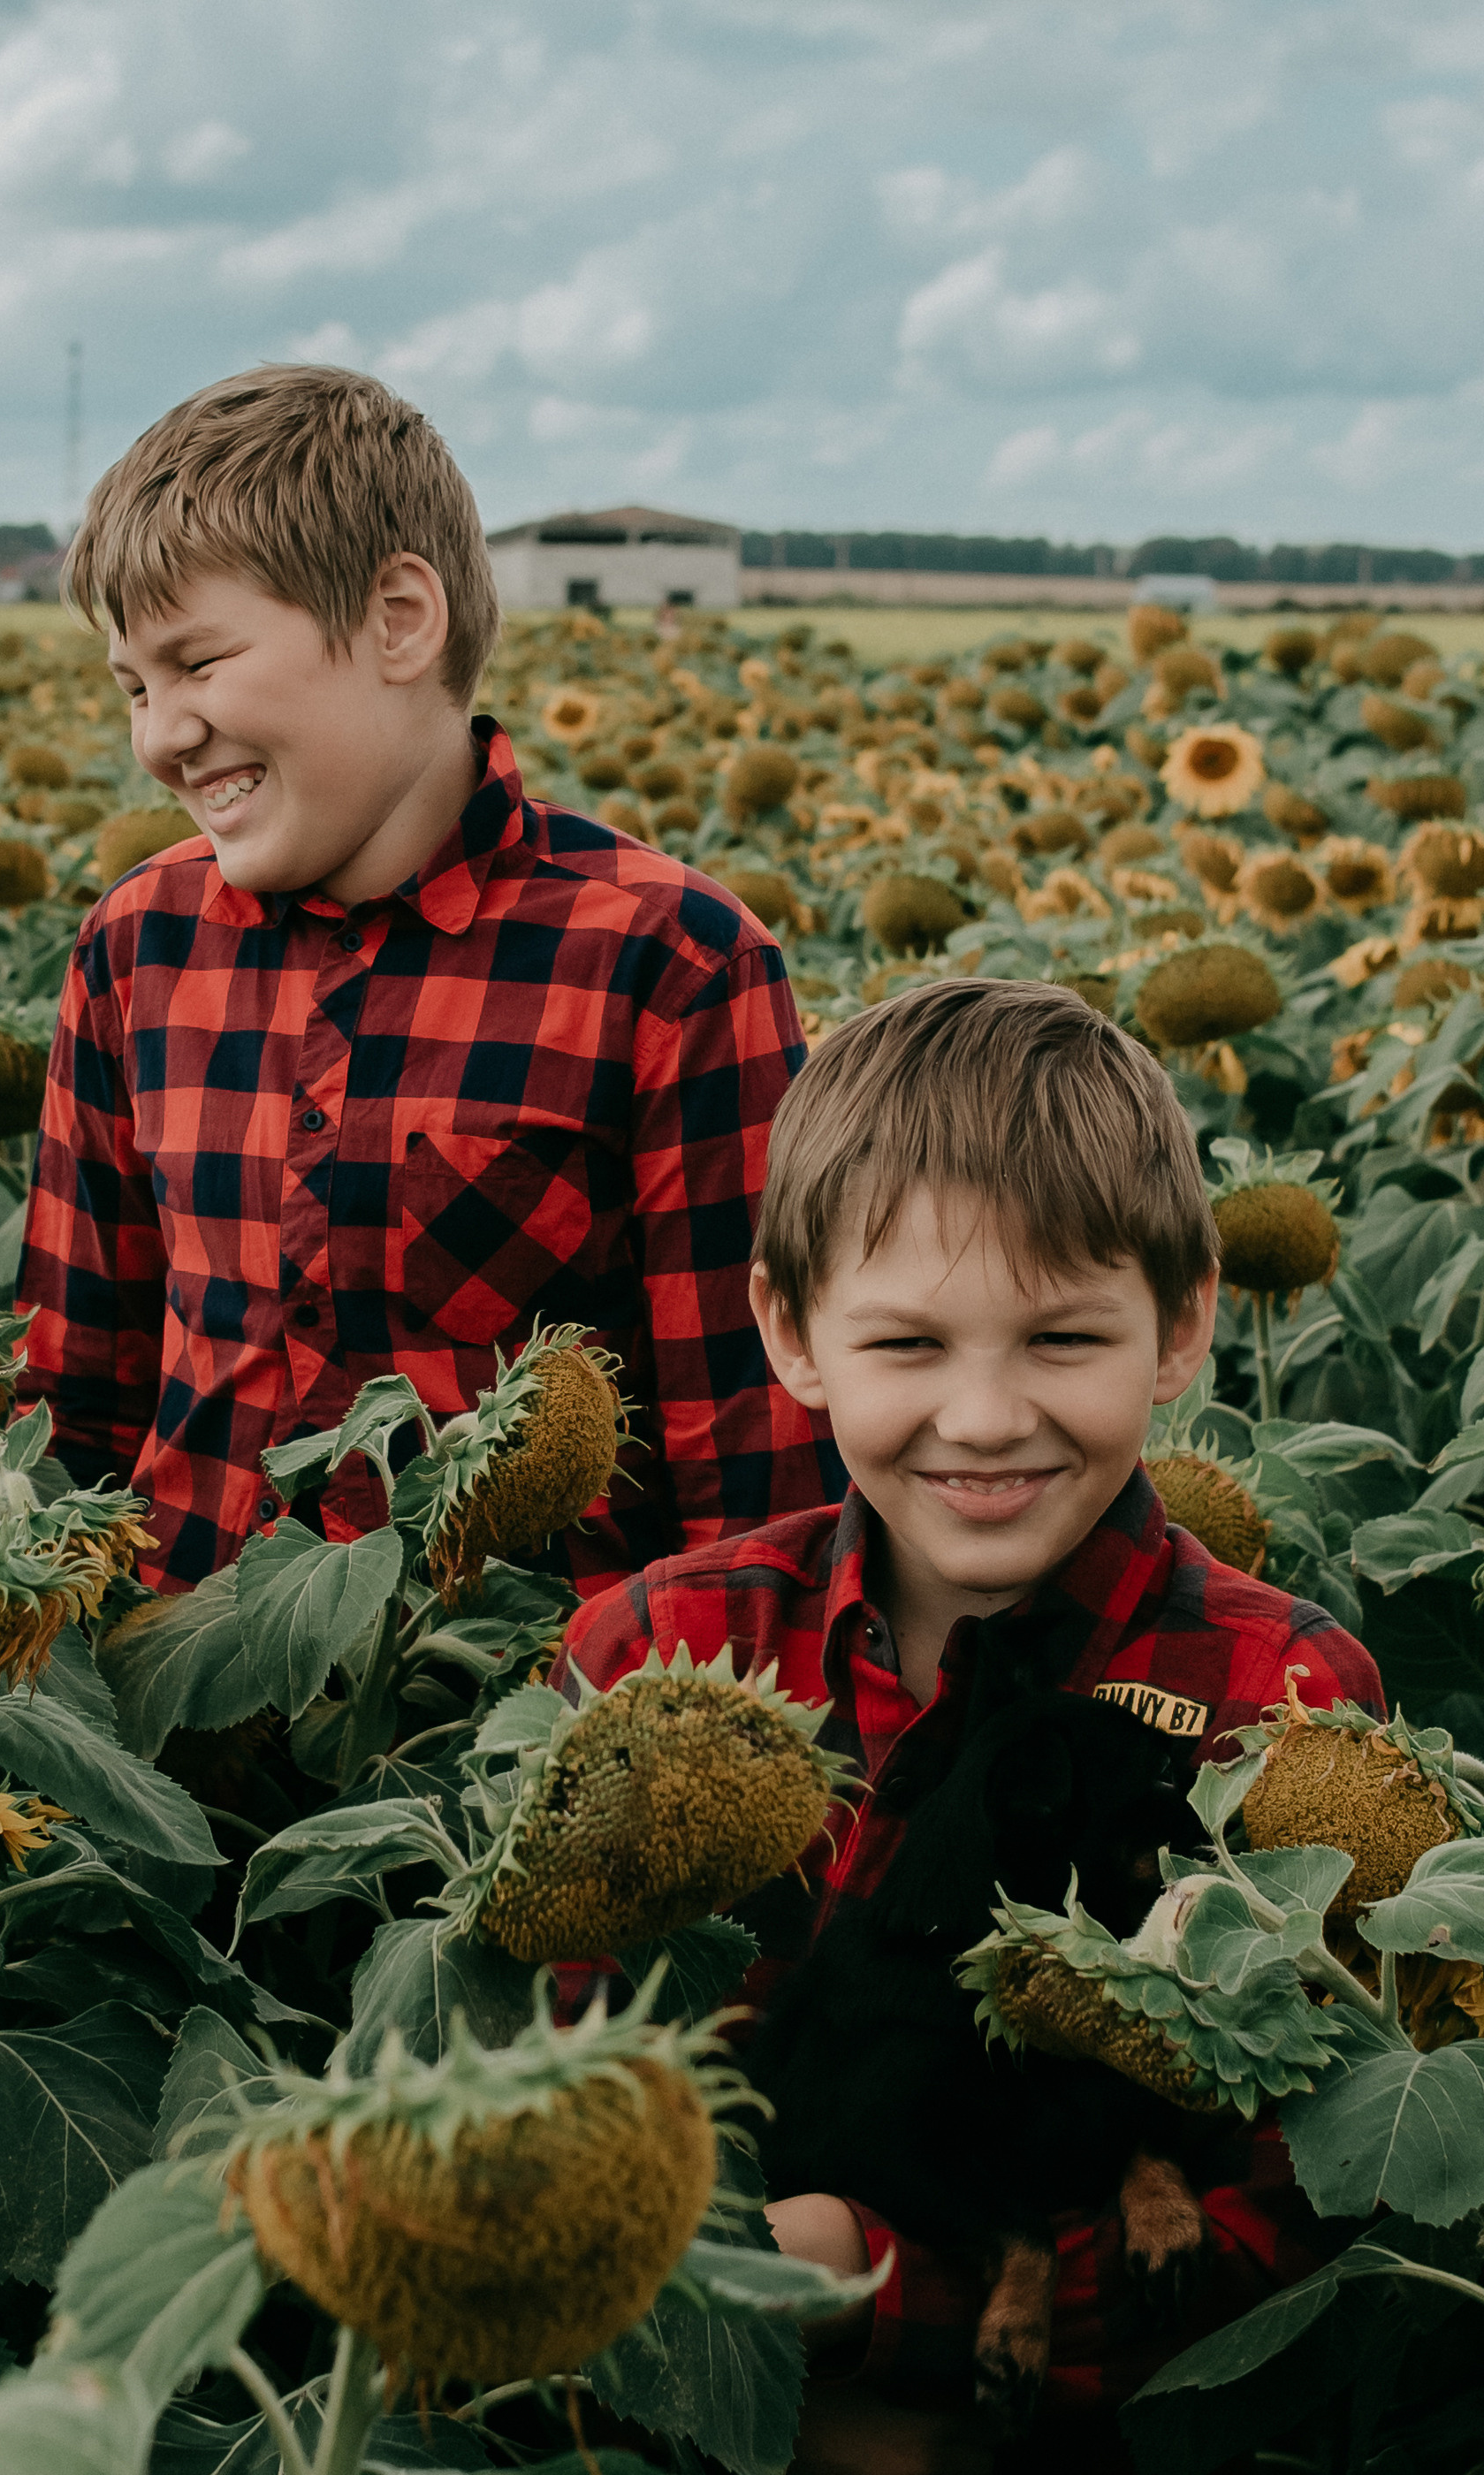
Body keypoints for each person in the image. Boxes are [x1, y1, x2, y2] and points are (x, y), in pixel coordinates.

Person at [552, 975, 1384, 2474]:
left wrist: (857, 2293)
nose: (987, 1419)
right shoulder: (659, 1653)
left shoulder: (1286, 1705)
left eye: (1063, 1340)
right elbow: (552, 2099)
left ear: (1182, 1325)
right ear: (792, 1334)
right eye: (909, 1347)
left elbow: (1302, 2207)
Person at [17, 363, 840, 1588]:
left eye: (197, 665)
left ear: (402, 620)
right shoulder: (139, 949)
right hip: (168, 1703)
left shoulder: (666, 965)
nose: (160, 735)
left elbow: (757, 1472)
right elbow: (76, 1407)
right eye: (133, 688)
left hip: (513, 1725)